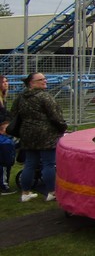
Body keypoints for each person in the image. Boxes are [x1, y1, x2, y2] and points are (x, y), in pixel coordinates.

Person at [10, 73, 67, 203]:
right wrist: (63, 127)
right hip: (46, 134)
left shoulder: (20, 98)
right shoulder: (45, 97)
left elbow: (13, 114)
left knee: (30, 164)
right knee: (48, 164)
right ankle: (52, 192)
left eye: (45, 78)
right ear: (32, 83)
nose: (44, 81)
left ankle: (25, 192)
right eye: (41, 80)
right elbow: (56, 116)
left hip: (27, 134)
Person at [0, 121, 16, 195]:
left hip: (5, 161)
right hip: (4, 162)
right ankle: (4, 188)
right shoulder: (5, 141)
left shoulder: (8, 139)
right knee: (4, 173)